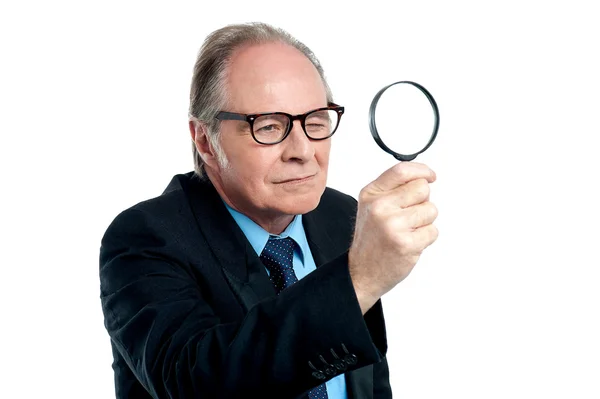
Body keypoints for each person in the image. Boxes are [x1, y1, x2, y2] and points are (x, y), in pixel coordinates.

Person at [99, 22, 438, 399]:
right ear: (205, 140)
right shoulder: (144, 239)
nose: (303, 151)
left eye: (315, 121)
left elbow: (367, 380)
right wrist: (357, 282)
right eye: (270, 126)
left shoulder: (342, 215)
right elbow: (196, 383)